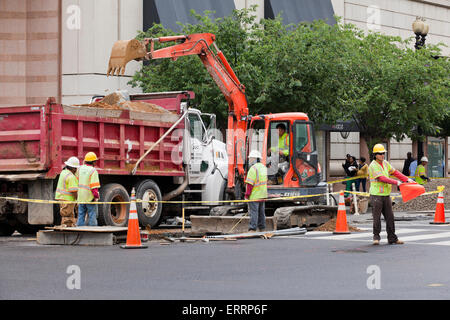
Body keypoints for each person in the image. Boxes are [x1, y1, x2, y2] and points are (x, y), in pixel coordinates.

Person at [369, 144, 415, 245]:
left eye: (383, 153)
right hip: (376, 195)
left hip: (386, 194)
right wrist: (396, 182)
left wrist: (407, 179)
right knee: (376, 218)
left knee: (390, 217)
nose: (382, 155)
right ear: (375, 155)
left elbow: (395, 172)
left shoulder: (385, 163)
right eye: (380, 153)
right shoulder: (373, 165)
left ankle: (392, 238)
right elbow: (382, 178)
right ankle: (376, 237)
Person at [244, 150, 268, 232]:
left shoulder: (253, 169)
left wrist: (247, 195)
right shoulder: (263, 168)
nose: (250, 160)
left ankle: (252, 228)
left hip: (254, 195)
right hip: (263, 194)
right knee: (261, 213)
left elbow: (250, 185)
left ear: (255, 158)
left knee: (254, 212)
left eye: (251, 158)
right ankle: (262, 228)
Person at [76, 152, 101, 226]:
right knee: (92, 214)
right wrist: (96, 197)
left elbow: (77, 180)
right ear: (93, 162)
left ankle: (80, 230)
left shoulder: (79, 169)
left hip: (80, 197)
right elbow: (94, 187)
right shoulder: (93, 171)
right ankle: (93, 231)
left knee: (81, 215)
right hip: (90, 198)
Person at [55, 157, 80, 227]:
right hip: (67, 199)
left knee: (68, 214)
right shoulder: (71, 176)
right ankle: (67, 227)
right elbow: (74, 190)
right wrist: (78, 199)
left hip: (62, 197)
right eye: (76, 168)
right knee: (67, 215)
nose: (76, 170)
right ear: (73, 168)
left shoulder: (63, 172)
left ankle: (69, 226)